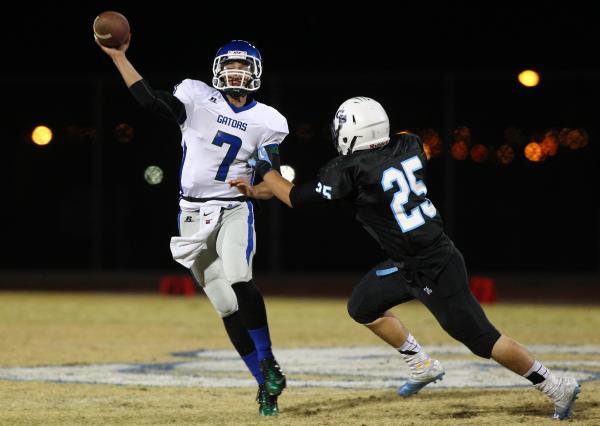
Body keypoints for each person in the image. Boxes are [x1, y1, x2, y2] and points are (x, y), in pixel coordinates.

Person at [230, 96, 581, 420]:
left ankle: (554, 385)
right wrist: (259, 190)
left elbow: (294, 197)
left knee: (483, 341)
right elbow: (306, 192)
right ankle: (421, 363)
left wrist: (266, 165)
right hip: (409, 260)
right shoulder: (409, 144)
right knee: (362, 306)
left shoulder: (350, 170)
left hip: (434, 267)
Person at [96, 36, 288, 416]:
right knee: (224, 304)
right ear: (218, 71)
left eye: (244, 65)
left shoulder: (268, 120)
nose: (237, 71)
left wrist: (256, 190)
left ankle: (268, 361)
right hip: (192, 213)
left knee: (237, 274)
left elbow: (271, 175)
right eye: (230, 65)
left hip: (234, 207)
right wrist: (119, 56)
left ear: (255, 72)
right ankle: (263, 384)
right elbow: (151, 100)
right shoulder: (197, 98)